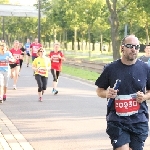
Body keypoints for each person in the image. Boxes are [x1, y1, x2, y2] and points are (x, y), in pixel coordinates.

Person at [95, 35, 150, 150]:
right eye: (130, 46)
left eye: (136, 46)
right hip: (117, 120)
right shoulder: (110, 68)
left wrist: (144, 97)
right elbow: (99, 91)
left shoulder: (145, 68)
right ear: (122, 48)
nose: (133, 49)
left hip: (139, 120)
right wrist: (107, 93)